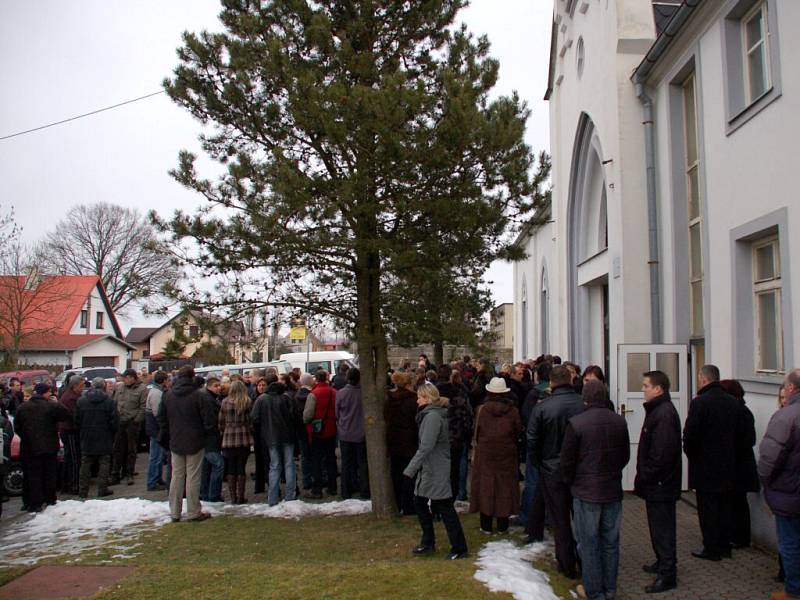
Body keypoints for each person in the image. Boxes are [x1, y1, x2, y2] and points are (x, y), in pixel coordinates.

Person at [561, 380, 629, 600]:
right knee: (610, 543)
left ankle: (595, 591)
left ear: (585, 398)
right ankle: (609, 589)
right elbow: (624, 456)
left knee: (589, 544)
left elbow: (567, 462)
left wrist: (572, 483)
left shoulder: (577, 423)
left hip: (586, 492)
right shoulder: (619, 422)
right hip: (611, 490)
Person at [527, 364, 584, 579]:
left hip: (552, 470)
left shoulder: (543, 407)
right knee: (580, 517)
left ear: (551, 382)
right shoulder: (583, 404)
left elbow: (532, 440)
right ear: (570, 380)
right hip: (578, 469)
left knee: (560, 519)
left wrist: (539, 462)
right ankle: (582, 560)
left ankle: (567, 563)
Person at [404, 382, 468, 560]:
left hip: (435, 468)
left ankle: (459, 548)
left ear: (427, 398)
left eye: (419, 397)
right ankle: (428, 542)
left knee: (444, 507)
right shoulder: (431, 415)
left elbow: (426, 447)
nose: (417, 400)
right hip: (431, 468)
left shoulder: (432, 417)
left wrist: (410, 470)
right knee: (421, 503)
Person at [683, 364, 740, 561]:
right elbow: (739, 435)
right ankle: (725, 545)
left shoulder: (700, 403)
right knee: (725, 506)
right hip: (728, 464)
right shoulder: (733, 402)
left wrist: (693, 456)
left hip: (705, 465)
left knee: (708, 509)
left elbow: (690, 435)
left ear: (703, 379)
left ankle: (711, 547)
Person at [633, 370, 681, 594]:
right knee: (657, 527)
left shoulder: (664, 414)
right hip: (658, 483)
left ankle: (668, 573)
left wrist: (647, 475)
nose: (643, 389)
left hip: (661, 484)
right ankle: (662, 562)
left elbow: (662, 455)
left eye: (645, 386)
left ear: (658, 389)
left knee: (663, 529)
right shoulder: (658, 411)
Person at [759, 368, 800, 600]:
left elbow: (769, 459)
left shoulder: (786, 416)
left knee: (791, 544)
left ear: (791, 388)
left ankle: (793, 591)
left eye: (785, 386)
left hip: (790, 493)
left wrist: (766, 484)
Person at [157, 365, 216, 522]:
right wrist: (206, 435)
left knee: (177, 476)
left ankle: (175, 512)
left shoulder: (168, 395)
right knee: (193, 477)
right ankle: (193, 511)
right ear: (192, 377)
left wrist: (166, 437)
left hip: (175, 440)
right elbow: (209, 420)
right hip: (195, 440)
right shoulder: (199, 395)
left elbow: (162, 419)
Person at [469, 377, 522, 534]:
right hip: (506, 453)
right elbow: (518, 431)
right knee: (504, 487)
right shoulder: (512, 411)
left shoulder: (482, 410)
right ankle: (502, 524)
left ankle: (485, 524)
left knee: (486, 485)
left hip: (485, 453)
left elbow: (476, 431)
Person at [14, 383, 70, 512]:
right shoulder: (50, 406)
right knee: (49, 474)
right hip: (49, 446)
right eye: (49, 392)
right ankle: (49, 498)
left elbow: (17, 427)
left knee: (31, 476)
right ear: (44, 393)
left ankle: (32, 502)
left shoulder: (23, 407)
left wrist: (26, 437)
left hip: (29, 447)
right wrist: (57, 402)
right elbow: (66, 415)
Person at [720, 378, 760, 548]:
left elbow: (748, 439)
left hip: (739, 466)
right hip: (738, 465)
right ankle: (736, 535)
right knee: (735, 501)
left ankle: (740, 537)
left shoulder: (742, 413)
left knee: (738, 502)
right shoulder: (740, 411)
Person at [252, 374, 298, 505]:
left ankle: (272, 497)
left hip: (270, 436)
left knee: (274, 466)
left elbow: (254, 418)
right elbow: (295, 416)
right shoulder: (287, 398)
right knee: (289, 465)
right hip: (287, 436)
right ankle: (290, 495)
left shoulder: (262, 399)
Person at [75, 377, 118, 498]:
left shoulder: (81, 401)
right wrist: (112, 434)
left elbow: (77, 420)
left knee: (85, 463)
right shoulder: (109, 402)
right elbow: (115, 421)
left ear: (92, 386)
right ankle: (102, 489)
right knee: (104, 463)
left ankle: (83, 490)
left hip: (87, 436)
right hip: (104, 436)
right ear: (104, 386)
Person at [385, 371, 419, 515]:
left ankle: (397, 504)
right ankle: (409, 506)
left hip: (394, 441)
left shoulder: (389, 399)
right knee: (410, 475)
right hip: (410, 441)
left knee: (396, 475)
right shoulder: (413, 400)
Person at [303, 370, 338, 499]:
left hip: (317, 431)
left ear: (316, 379)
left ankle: (317, 489)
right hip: (331, 429)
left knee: (317, 461)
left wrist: (308, 422)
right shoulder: (333, 392)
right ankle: (332, 486)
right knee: (331, 459)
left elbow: (308, 415)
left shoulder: (314, 394)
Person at [336, 368, 369, 500]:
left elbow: (337, 413)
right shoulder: (364, 394)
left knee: (346, 464)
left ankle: (346, 491)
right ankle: (364, 490)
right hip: (361, 433)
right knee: (362, 464)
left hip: (345, 433)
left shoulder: (341, 393)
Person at [111, 369, 148, 486]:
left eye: (126, 377)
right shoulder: (120, 387)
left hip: (132, 423)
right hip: (120, 422)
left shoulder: (142, 389)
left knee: (131, 450)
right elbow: (114, 402)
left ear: (132, 378)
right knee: (117, 449)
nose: (124, 380)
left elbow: (143, 407)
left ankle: (129, 473)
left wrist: (136, 420)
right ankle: (115, 474)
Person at [218, 380, 253, 504]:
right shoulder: (246, 401)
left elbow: (221, 421)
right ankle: (241, 496)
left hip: (228, 436)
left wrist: (224, 430)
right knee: (241, 467)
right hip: (243, 435)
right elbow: (250, 420)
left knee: (231, 467)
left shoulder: (225, 402)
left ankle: (233, 497)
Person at [199, 377, 225, 503]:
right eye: (216, 385)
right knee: (218, 465)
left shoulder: (211, 398)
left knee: (207, 467)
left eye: (219, 385)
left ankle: (205, 493)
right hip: (210, 439)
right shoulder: (209, 400)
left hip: (207, 439)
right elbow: (210, 421)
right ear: (209, 386)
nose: (219, 388)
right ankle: (213, 495)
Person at [58, 375, 85, 495]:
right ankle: (73, 485)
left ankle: (67, 484)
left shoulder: (70, 396)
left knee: (70, 458)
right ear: (75, 386)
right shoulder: (70, 398)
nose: (83, 388)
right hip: (70, 431)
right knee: (74, 459)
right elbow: (74, 416)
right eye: (82, 385)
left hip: (69, 430)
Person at [145, 371, 170, 492]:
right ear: (164, 380)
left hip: (155, 428)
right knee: (156, 456)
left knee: (158, 456)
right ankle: (152, 481)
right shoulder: (156, 393)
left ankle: (157, 478)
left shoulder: (156, 391)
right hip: (156, 429)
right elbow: (157, 413)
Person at [294, 373, 314, 491]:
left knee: (305, 457)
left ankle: (306, 481)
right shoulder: (312, 395)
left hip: (300, 431)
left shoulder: (295, 397)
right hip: (311, 430)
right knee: (314, 455)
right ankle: (316, 478)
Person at [251, 376, 268, 495]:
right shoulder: (253, 399)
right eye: (259, 385)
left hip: (266, 433)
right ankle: (259, 485)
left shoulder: (267, 399)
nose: (261, 387)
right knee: (259, 460)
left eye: (263, 385)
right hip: (257, 433)